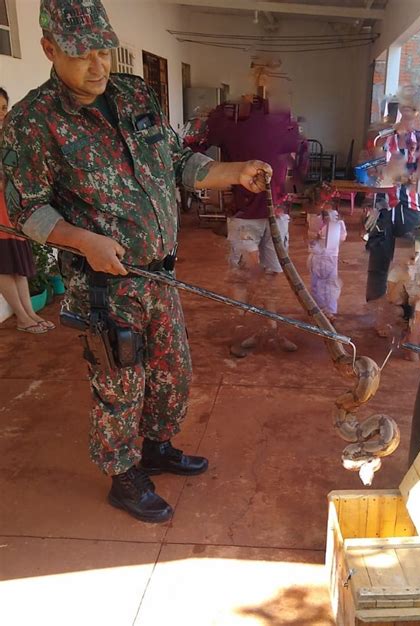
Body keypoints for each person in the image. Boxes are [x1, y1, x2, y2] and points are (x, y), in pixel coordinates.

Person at [0, 0, 272, 523]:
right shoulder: (33, 123)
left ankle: (155, 448)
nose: (99, 65)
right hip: (105, 286)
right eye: (82, 55)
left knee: (172, 372)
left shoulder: (133, 93)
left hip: (161, 274)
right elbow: (25, 211)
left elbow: (177, 160)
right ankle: (123, 476)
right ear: (49, 50)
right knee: (120, 385)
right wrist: (83, 240)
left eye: (104, 50)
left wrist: (233, 172)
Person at [204, 96, 302, 357]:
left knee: (271, 276)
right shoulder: (231, 114)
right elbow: (197, 146)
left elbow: (295, 155)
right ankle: (244, 330)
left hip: (276, 214)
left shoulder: (283, 114)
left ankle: (271, 329)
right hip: (243, 214)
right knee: (246, 275)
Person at [365, 88, 420, 338]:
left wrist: (412, 176)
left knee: (411, 266)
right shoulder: (383, 137)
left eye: (410, 107)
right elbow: (372, 167)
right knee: (378, 265)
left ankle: (409, 321)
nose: (405, 111)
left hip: (410, 209)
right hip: (382, 209)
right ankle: (379, 319)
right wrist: (377, 169)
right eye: (402, 107)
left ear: (418, 111)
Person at [0, 87, 54, 334]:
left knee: (19, 266)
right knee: (4, 267)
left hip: (11, 210)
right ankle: (22, 317)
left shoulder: (8, 137)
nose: (1, 114)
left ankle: (30, 313)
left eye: (3, 108)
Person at [306, 186, 347, 322]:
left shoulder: (322, 218)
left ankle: (326, 311)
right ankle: (325, 311)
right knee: (323, 285)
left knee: (323, 285)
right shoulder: (319, 218)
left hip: (324, 256)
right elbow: (341, 237)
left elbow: (340, 237)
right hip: (324, 256)